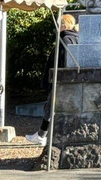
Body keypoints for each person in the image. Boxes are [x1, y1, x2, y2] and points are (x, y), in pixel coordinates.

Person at [25, 12, 79, 145]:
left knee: (50, 107)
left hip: (60, 79)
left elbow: (60, 61)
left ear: (63, 26)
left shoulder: (64, 39)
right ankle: (42, 135)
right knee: (53, 107)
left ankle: (41, 135)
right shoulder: (76, 38)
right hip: (71, 79)